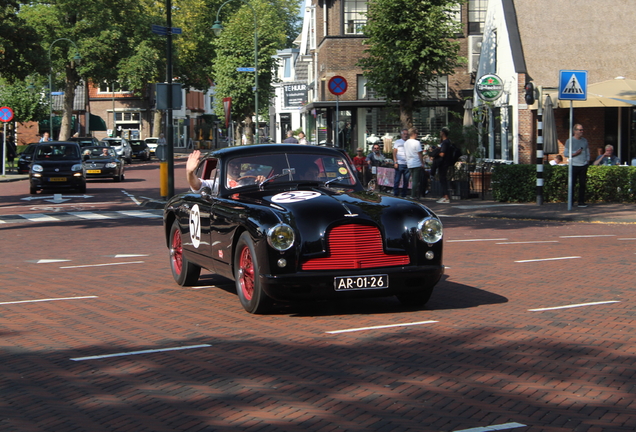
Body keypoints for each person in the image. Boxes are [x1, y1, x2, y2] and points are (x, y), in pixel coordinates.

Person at [563, 124, 590, 207]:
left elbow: (587, 150)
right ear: (574, 131)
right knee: (572, 184)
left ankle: (581, 201)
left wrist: (587, 159)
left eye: (582, 130)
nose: (581, 131)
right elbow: (566, 153)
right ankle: (571, 201)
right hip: (574, 165)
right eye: (580, 130)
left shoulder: (584, 141)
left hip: (583, 165)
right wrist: (575, 153)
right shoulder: (569, 141)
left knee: (582, 184)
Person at [403, 127, 425, 200]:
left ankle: (412, 194)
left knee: (412, 179)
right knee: (416, 180)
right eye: (417, 133)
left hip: (409, 163)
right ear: (414, 134)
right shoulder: (417, 142)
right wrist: (422, 162)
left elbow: (405, 153)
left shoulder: (406, 143)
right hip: (416, 162)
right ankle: (413, 195)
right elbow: (419, 153)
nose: (417, 135)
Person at [435, 127, 453, 203]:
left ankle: (445, 196)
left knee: (443, 179)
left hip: (443, 163)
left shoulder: (445, 142)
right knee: (443, 179)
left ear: (443, 133)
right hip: (446, 162)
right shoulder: (448, 141)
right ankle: (444, 196)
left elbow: (442, 154)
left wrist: (436, 153)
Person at [392, 129, 410, 197]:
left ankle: (404, 195)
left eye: (406, 134)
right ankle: (395, 194)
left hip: (407, 164)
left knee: (406, 181)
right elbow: (394, 152)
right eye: (404, 134)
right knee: (397, 180)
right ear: (401, 134)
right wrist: (395, 161)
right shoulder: (398, 142)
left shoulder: (409, 142)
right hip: (399, 163)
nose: (405, 135)